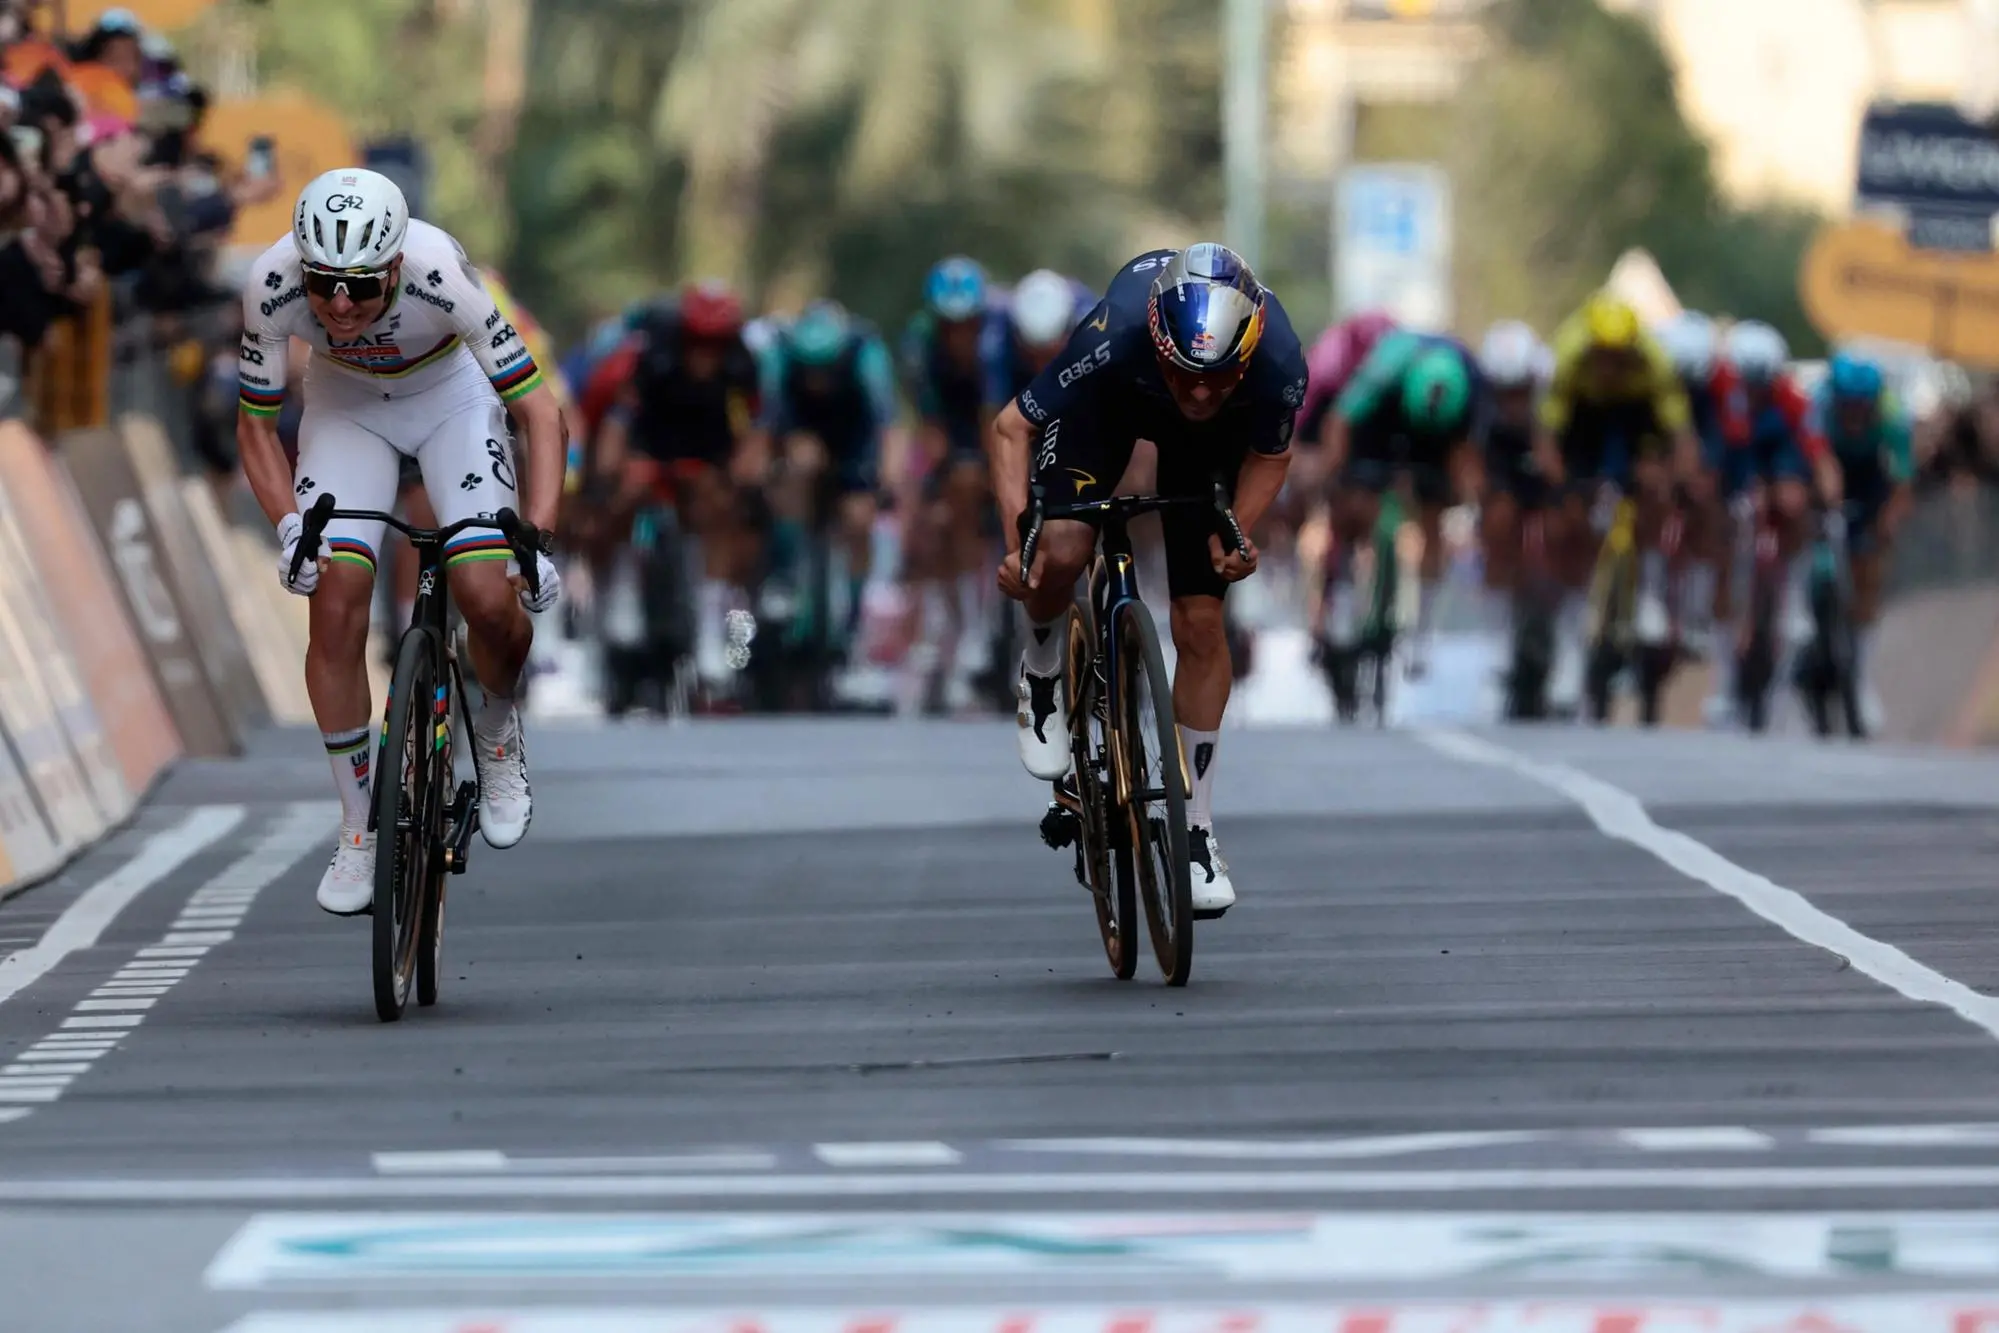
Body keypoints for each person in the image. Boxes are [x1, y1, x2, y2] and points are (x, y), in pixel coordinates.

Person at [235, 168, 566, 915]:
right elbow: (255, 425)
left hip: (452, 400)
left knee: (488, 595)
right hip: (347, 406)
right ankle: (359, 827)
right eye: (323, 284)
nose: (338, 304)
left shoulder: (440, 273)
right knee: (335, 596)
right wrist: (289, 526)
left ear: (394, 267)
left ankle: (496, 729)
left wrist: (538, 540)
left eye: (359, 285)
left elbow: (541, 414)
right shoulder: (270, 283)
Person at [991, 243, 1306, 916]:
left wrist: (1238, 532)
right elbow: (1011, 427)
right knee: (1063, 548)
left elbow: (1271, 455)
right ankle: (1042, 669)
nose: (1199, 392)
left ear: (1248, 352)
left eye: (1219, 376)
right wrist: (1020, 547)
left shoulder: (1278, 358)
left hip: (1207, 446)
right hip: (1109, 405)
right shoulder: (1119, 330)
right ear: (1159, 341)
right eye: (1185, 374)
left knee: (1200, 622)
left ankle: (1195, 832)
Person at [595, 278, 761, 691]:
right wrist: (613, 467)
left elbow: (752, 431)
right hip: (652, 450)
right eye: (698, 342)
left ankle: (709, 623)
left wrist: (741, 472)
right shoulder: (653, 358)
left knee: (720, 509)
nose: (705, 354)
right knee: (627, 490)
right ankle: (624, 584)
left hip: (707, 456)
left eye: (715, 344)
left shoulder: (740, 366)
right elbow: (621, 420)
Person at [1537, 292, 1696, 686]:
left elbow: (1679, 433)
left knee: (1654, 486)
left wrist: (1678, 479)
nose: (1609, 366)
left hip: (1635, 416)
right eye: (1602, 357)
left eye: (1618, 357)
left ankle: (1647, 591)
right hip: (1583, 418)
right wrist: (1560, 484)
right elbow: (1548, 435)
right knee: (1572, 518)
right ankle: (1572, 634)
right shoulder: (1569, 356)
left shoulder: (1655, 362)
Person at [1317, 328, 1479, 677]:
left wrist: (1461, 496)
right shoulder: (1385, 372)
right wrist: (1333, 475)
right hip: (1377, 427)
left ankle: (1422, 631)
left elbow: (1466, 460)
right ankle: (1344, 597)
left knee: (1434, 517)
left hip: (1435, 442)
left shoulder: (1472, 387)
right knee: (1354, 505)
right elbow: (1339, 422)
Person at [755, 298, 898, 658]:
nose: (817, 380)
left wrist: (887, 478)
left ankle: (854, 611)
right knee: (795, 473)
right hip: (801, 434)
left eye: (825, 370)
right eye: (809, 370)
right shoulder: (781, 355)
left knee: (858, 519)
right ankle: (786, 575)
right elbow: (765, 424)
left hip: (854, 442)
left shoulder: (864, 352)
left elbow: (886, 426)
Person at [1711, 320, 1832, 706]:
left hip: (1781, 458)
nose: (1755, 391)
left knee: (1793, 502)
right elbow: (1726, 450)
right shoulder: (1725, 392)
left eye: (1762, 384)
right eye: (1748, 383)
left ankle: (1794, 593)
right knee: (1724, 518)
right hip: (1740, 460)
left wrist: (1825, 487)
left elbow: (1815, 449)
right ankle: (1724, 681)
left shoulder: (1793, 399)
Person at [1811, 349, 1913, 729]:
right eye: (1847, 406)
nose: (1854, 415)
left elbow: (1902, 481)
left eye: (1861, 407)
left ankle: (1862, 679)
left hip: (1870, 483)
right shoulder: (1818, 407)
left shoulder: (1893, 416)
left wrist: (1887, 520)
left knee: (1869, 570)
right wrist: (1825, 496)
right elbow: (1817, 457)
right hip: (1827, 472)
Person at [1473, 320, 1552, 642]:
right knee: (1499, 521)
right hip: (1501, 460)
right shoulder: (1481, 405)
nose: (1513, 402)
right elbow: (1474, 460)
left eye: (1520, 391)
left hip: (1544, 447)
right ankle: (1497, 635)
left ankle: (1566, 623)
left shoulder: (1551, 392)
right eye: (1505, 393)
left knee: (1564, 522)